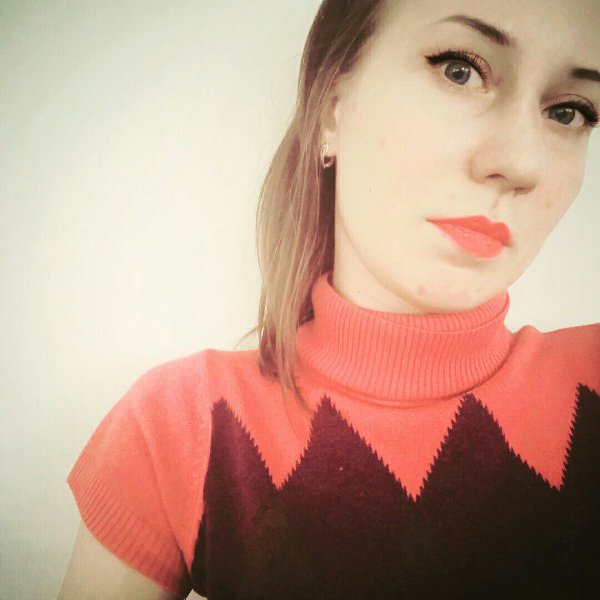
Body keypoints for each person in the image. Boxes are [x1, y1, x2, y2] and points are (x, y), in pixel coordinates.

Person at [58, 0, 600, 598]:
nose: (520, 163)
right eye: (460, 69)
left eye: (570, 111)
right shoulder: (180, 427)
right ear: (331, 110)